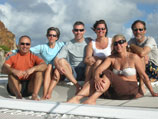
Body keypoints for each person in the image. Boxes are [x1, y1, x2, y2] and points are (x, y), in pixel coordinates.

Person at [67, 34, 158, 104]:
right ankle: (76, 98)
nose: (118, 45)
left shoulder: (133, 57)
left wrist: (152, 92)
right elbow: (98, 70)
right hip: (115, 92)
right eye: (115, 43)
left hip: (129, 89)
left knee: (108, 73)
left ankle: (92, 99)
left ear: (126, 43)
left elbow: (144, 76)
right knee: (95, 80)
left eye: (121, 42)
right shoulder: (111, 58)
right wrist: (97, 78)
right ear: (113, 46)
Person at [7, 27, 65, 100]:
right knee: (48, 66)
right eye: (50, 35)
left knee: (50, 66)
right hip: (46, 71)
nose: (52, 37)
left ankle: (46, 93)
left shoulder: (61, 45)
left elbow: (72, 44)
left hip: (58, 70)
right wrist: (13, 51)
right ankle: (44, 95)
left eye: (54, 35)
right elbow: (26, 49)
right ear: (47, 36)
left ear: (57, 37)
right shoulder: (42, 47)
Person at [2, 35, 47, 100]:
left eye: (27, 44)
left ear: (30, 45)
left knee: (39, 72)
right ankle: (18, 95)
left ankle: (34, 95)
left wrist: (33, 69)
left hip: (29, 87)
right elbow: (4, 68)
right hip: (15, 87)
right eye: (22, 44)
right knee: (11, 73)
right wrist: (14, 71)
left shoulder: (34, 55)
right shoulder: (12, 55)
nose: (25, 46)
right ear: (18, 45)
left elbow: (44, 66)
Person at [54, 21, 89, 93]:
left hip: (87, 70)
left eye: (81, 30)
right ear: (73, 31)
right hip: (73, 72)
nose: (78, 32)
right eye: (76, 30)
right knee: (61, 61)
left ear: (84, 31)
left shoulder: (89, 42)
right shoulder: (68, 44)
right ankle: (77, 85)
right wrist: (58, 67)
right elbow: (57, 59)